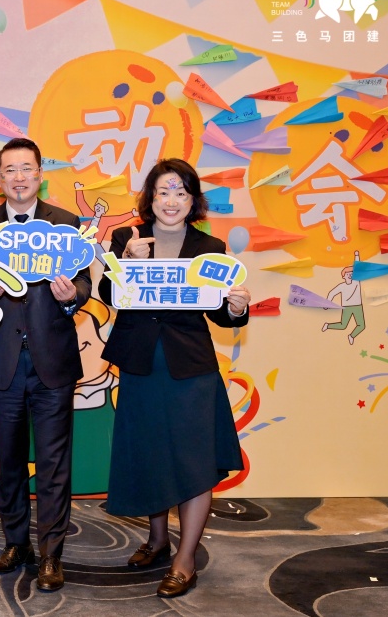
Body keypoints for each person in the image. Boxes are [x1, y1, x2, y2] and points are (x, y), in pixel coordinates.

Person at [99, 158, 251, 599]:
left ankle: (185, 559)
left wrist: (237, 307)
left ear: (193, 200)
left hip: (190, 366)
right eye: (164, 191)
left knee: (193, 459)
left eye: (181, 192)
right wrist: (126, 262)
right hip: (141, 363)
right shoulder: (127, 238)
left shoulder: (210, 246)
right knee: (150, 452)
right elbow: (110, 296)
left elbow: (220, 313)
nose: (172, 200)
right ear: (150, 197)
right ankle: (157, 539)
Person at [0, 137, 90, 592]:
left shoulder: (66, 223)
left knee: (54, 464)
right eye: (9, 170)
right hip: (2, 362)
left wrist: (71, 297)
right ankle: (16, 543)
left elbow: (84, 285)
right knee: (11, 461)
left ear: (40, 174)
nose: (18, 177)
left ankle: (52, 555)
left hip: (52, 361)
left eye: (26, 168)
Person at [322, 251, 364, 344]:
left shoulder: (356, 281)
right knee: (343, 325)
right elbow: (332, 293)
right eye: (347, 274)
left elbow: (357, 268)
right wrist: (327, 304)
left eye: (351, 273)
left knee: (361, 325)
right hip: (347, 307)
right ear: (343, 276)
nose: (350, 275)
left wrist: (356, 256)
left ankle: (351, 336)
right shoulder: (342, 286)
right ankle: (327, 325)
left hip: (358, 306)